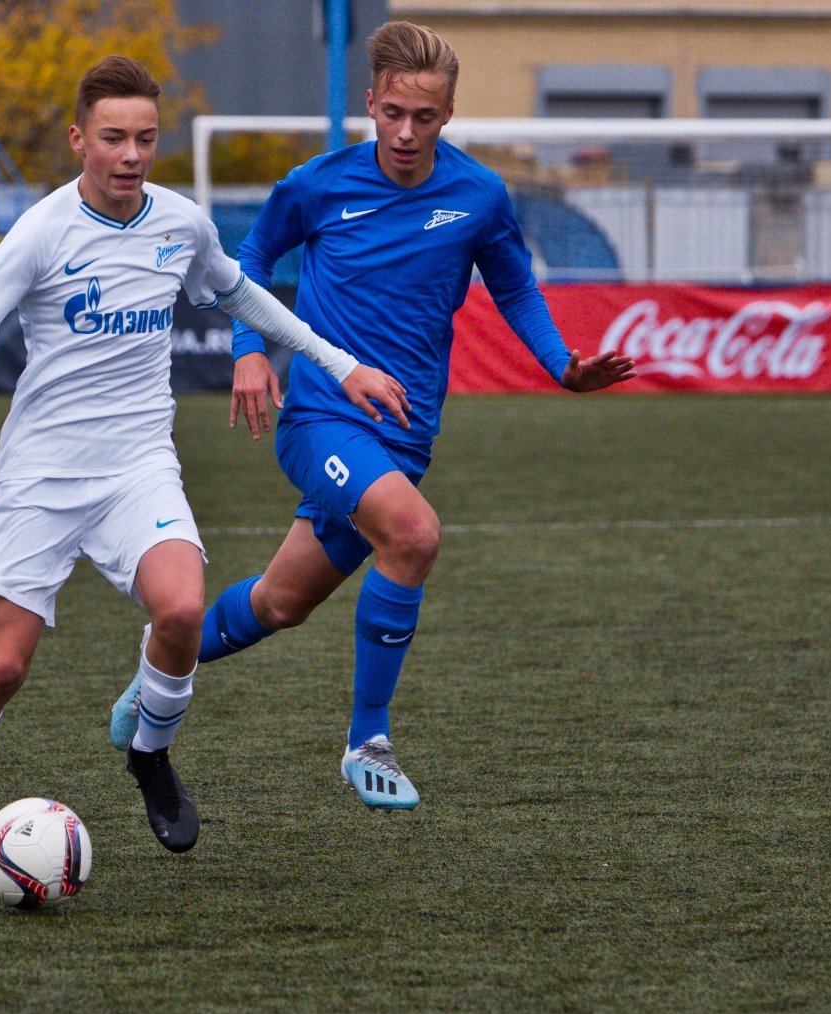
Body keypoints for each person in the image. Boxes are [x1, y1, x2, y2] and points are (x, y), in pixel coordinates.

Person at [0, 56, 407, 894]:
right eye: (113, 138)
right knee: (1, 669)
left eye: (144, 137)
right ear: (79, 140)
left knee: (180, 607)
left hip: (139, 461)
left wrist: (339, 361)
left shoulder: (181, 223)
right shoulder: (42, 229)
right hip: (42, 472)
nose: (132, 153)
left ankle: (149, 754)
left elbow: (243, 295)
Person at [113, 21, 635, 812]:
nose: (405, 131)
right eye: (392, 112)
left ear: (449, 113)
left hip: (405, 434)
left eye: (424, 117)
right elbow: (247, 260)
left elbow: (517, 288)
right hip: (321, 417)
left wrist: (561, 364)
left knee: (281, 603)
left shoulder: (478, 197)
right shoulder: (319, 184)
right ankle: (368, 740)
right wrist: (250, 349)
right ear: (370, 102)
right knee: (414, 533)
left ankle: (155, 672)